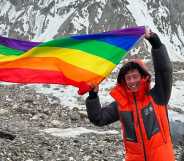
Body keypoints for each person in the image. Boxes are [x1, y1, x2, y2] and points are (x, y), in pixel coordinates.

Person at [85, 28, 175, 161]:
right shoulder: (121, 105)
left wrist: (156, 43)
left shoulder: (157, 95)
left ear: (143, 76)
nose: (132, 81)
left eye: (135, 76)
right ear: (124, 81)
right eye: (128, 78)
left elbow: (164, 71)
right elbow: (98, 118)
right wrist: (93, 96)